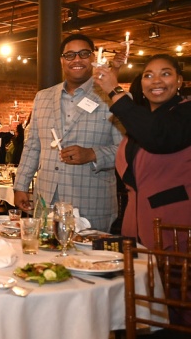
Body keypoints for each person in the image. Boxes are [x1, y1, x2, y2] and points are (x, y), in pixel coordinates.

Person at [13, 33, 125, 232]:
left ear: (93, 58)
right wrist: (21, 184)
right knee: (45, 260)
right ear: (62, 60)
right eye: (70, 55)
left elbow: (127, 150)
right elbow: (33, 145)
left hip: (91, 201)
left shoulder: (113, 97)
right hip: (46, 199)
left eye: (83, 54)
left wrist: (92, 154)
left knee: (90, 262)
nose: (77, 60)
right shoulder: (43, 97)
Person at [94, 54, 191, 251]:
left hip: (175, 228)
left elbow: (158, 137)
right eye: (148, 75)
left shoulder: (186, 113)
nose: (156, 81)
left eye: (165, 74)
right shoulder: (142, 120)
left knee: (169, 281)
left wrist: (114, 90)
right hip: (136, 225)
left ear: (179, 80)